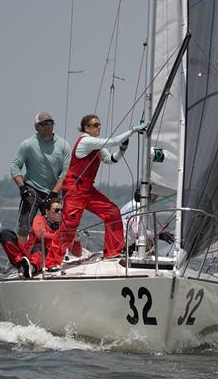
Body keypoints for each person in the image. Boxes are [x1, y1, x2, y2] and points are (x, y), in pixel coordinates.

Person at [45, 115, 148, 270]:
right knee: (69, 228)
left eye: (99, 125)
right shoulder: (86, 141)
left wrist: (123, 150)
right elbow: (112, 141)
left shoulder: (96, 146)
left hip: (87, 189)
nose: (98, 127)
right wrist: (132, 131)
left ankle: (113, 252)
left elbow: (111, 160)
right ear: (86, 128)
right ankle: (51, 263)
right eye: (94, 125)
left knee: (112, 212)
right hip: (75, 189)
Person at [10, 111, 72, 246]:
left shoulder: (63, 145)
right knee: (25, 226)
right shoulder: (28, 144)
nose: (46, 126)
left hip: (54, 191)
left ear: (53, 125)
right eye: (42, 124)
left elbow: (66, 172)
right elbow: (15, 167)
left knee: (59, 225)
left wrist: (55, 192)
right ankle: (22, 257)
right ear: (36, 127)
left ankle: (59, 254)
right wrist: (22, 187)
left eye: (49, 123)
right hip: (32, 189)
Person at [0, 198, 82, 278]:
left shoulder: (65, 229)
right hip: (27, 255)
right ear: (47, 211)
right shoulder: (39, 219)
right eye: (56, 210)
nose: (59, 213)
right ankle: (21, 264)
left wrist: (76, 241)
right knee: (5, 234)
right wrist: (61, 236)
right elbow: (39, 234)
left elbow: (77, 253)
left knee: (39, 248)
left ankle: (31, 268)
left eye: (61, 210)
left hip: (46, 259)